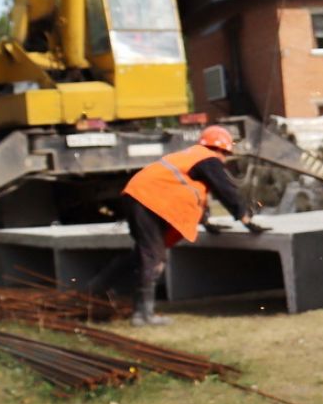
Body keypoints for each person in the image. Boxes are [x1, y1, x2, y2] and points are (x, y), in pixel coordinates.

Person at [87, 125, 262, 325]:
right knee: (154, 256)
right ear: (222, 149)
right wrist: (245, 218)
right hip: (147, 201)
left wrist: (205, 221)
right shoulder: (208, 158)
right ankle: (142, 315)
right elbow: (225, 190)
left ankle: (97, 287)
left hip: (139, 197)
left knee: (143, 253)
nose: (224, 159)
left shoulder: (191, 157)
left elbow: (190, 192)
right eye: (226, 154)